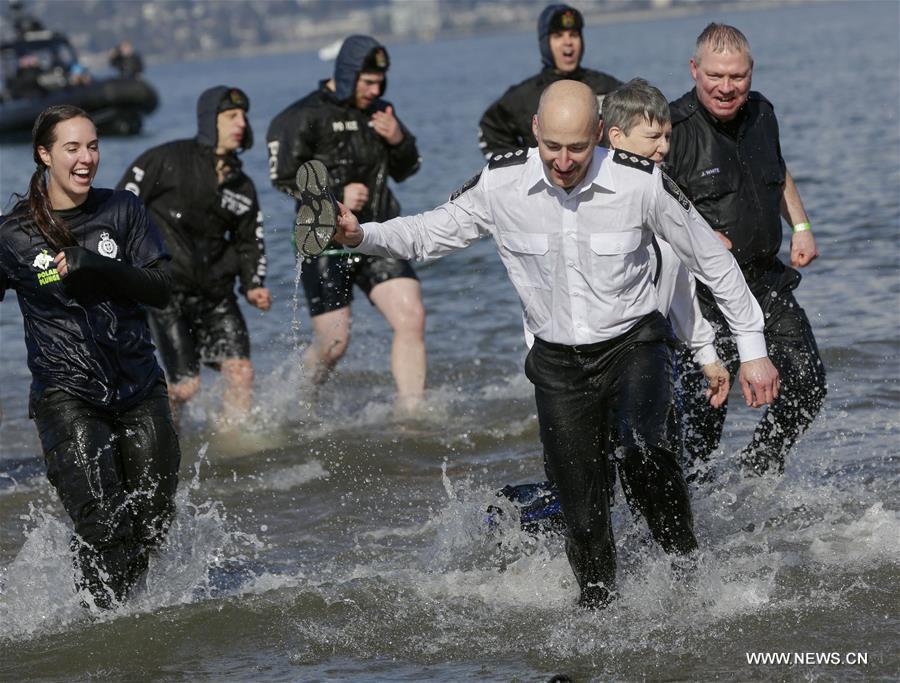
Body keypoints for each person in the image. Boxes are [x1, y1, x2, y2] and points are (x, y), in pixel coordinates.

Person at [327, 80, 780, 608]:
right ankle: (598, 611)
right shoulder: (501, 183)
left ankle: (688, 573)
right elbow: (430, 233)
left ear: (598, 135)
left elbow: (712, 261)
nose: (563, 161)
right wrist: (363, 236)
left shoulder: (641, 183)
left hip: (634, 343)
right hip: (558, 365)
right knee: (583, 513)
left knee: (643, 451)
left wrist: (752, 350)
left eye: (578, 148)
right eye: (552, 146)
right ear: (536, 130)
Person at [493, 78, 732, 532]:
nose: (664, 147)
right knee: (587, 491)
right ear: (615, 138)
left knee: (650, 466)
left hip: (644, 357)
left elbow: (681, 290)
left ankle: (668, 567)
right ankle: (515, 518)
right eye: (654, 137)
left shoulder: (658, 198)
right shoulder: (580, 203)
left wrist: (706, 353)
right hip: (574, 369)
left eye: (667, 137)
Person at [0, 105, 181, 608]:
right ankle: (98, 626)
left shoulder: (122, 210)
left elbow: (163, 288)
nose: (87, 159)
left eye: (93, 146)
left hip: (140, 388)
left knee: (152, 524)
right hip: (67, 395)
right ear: (44, 154)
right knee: (104, 526)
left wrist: (99, 266)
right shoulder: (12, 235)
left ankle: (122, 622)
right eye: (72, 148)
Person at [666, 23, 826, 476]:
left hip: (765, 280)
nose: (726, 88)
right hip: (704, 299)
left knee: (808, 385)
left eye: (737, 77)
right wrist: (695, 237)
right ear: (695, 70)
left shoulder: (762, 113)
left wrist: (800, 225)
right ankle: (686, 510)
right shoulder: (674, 129)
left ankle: (756, 471)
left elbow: (779, 170)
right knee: (702, 425)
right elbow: (647, 205)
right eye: (715, 76)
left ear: (751, 73)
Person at [267, 35, 426, 415]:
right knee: (334, 345)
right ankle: (299, 404)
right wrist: (332, 194)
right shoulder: (301, 116)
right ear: (346, 74)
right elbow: (283, 178)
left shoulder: (381, 112)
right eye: (367, 82)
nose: (375, 90)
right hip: (324, 240)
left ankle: (412, 413)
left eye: (380, 82)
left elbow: (408, 170)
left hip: (377, 233)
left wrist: (399, 138)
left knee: (411, 316)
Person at [118, 86, 270, 425]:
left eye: (243, 116)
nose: (241, 123)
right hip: (168, 294)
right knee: (186, 387)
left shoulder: (242, 185)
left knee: (241, 373)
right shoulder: (166, 160)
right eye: (231, 116)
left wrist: (254, 283)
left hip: (217, 295)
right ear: (208, 121)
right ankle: (163, 438)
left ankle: (236, 450)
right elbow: (121, 207)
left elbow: (250, 240)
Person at [477, 3, 621, 160]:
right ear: (545, 43)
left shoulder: (609, 88)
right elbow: (490, 130)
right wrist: (519, 170)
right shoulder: (523, 97)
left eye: (573, 34)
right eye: (558, 35)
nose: (568, 42)